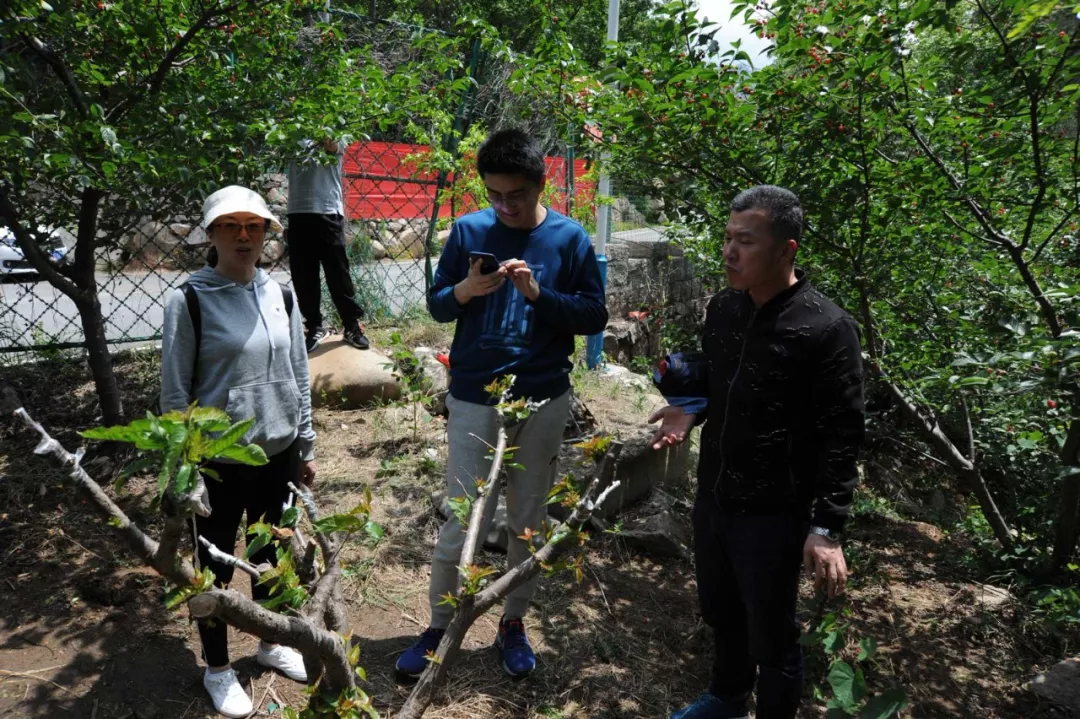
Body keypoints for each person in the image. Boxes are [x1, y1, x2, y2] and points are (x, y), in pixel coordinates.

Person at [394, 128, 608, 680]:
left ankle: (513, 622)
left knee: (527, 519)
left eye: (516, 194)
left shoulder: (569, 238)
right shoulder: (468, 230)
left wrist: (541, 297)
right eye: (494, 194)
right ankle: (440, 625)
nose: (506, 206)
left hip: (542, 396)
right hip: (474, 396)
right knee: (461, 517)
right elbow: (440, 307)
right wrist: (466, 291)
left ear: (541, 183)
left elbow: (593, 317)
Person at [649, 186, 865, 719]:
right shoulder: (724, 309)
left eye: (745, 241)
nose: (729, 252)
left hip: (775, 510)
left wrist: (826, 527)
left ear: (786, 250)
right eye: (727, 238)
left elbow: (844, 433)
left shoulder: (826, 328)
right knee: (722, 612)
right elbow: (725, 385)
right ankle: (726, 697)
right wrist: (690, 408)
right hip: (716, 495)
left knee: (772, 634)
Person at [161, 185, 318, 718]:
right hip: (219, 462)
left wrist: (306, 443)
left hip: (277, 453)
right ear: (212, 234)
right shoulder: (189, 300)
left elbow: (299, 371)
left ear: (268, 232)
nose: (246, 236)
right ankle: (218, 668)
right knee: (214, 570)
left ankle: (272, 643)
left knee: (272, 555)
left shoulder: (282, 294)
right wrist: (186, 471)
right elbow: (175, 394)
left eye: (256, 226)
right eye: (232, 226)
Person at [287, 137, 370, 352]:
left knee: (338, 272)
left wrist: (317, 115)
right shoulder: (290, 130)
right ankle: (314, 326)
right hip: (297, 209)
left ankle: (351, 326)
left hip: (328, 209)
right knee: (303, 274)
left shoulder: (333, 126)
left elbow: (332, 145)